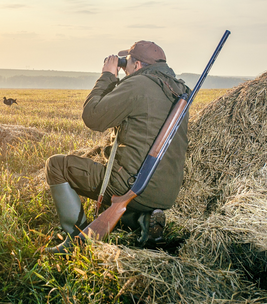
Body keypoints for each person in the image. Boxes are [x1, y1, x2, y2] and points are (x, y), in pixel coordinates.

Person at [45, 41, 191, 253]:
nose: (126, 68)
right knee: (108, 206)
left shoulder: (139, 84)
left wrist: (108, 76)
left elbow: (93, 118)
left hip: (133, 185)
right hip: (165, 193)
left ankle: (74, 238)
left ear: (138, 65)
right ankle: (143, 220)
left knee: (56, 165)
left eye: (128, 63)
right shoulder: (179, 89)